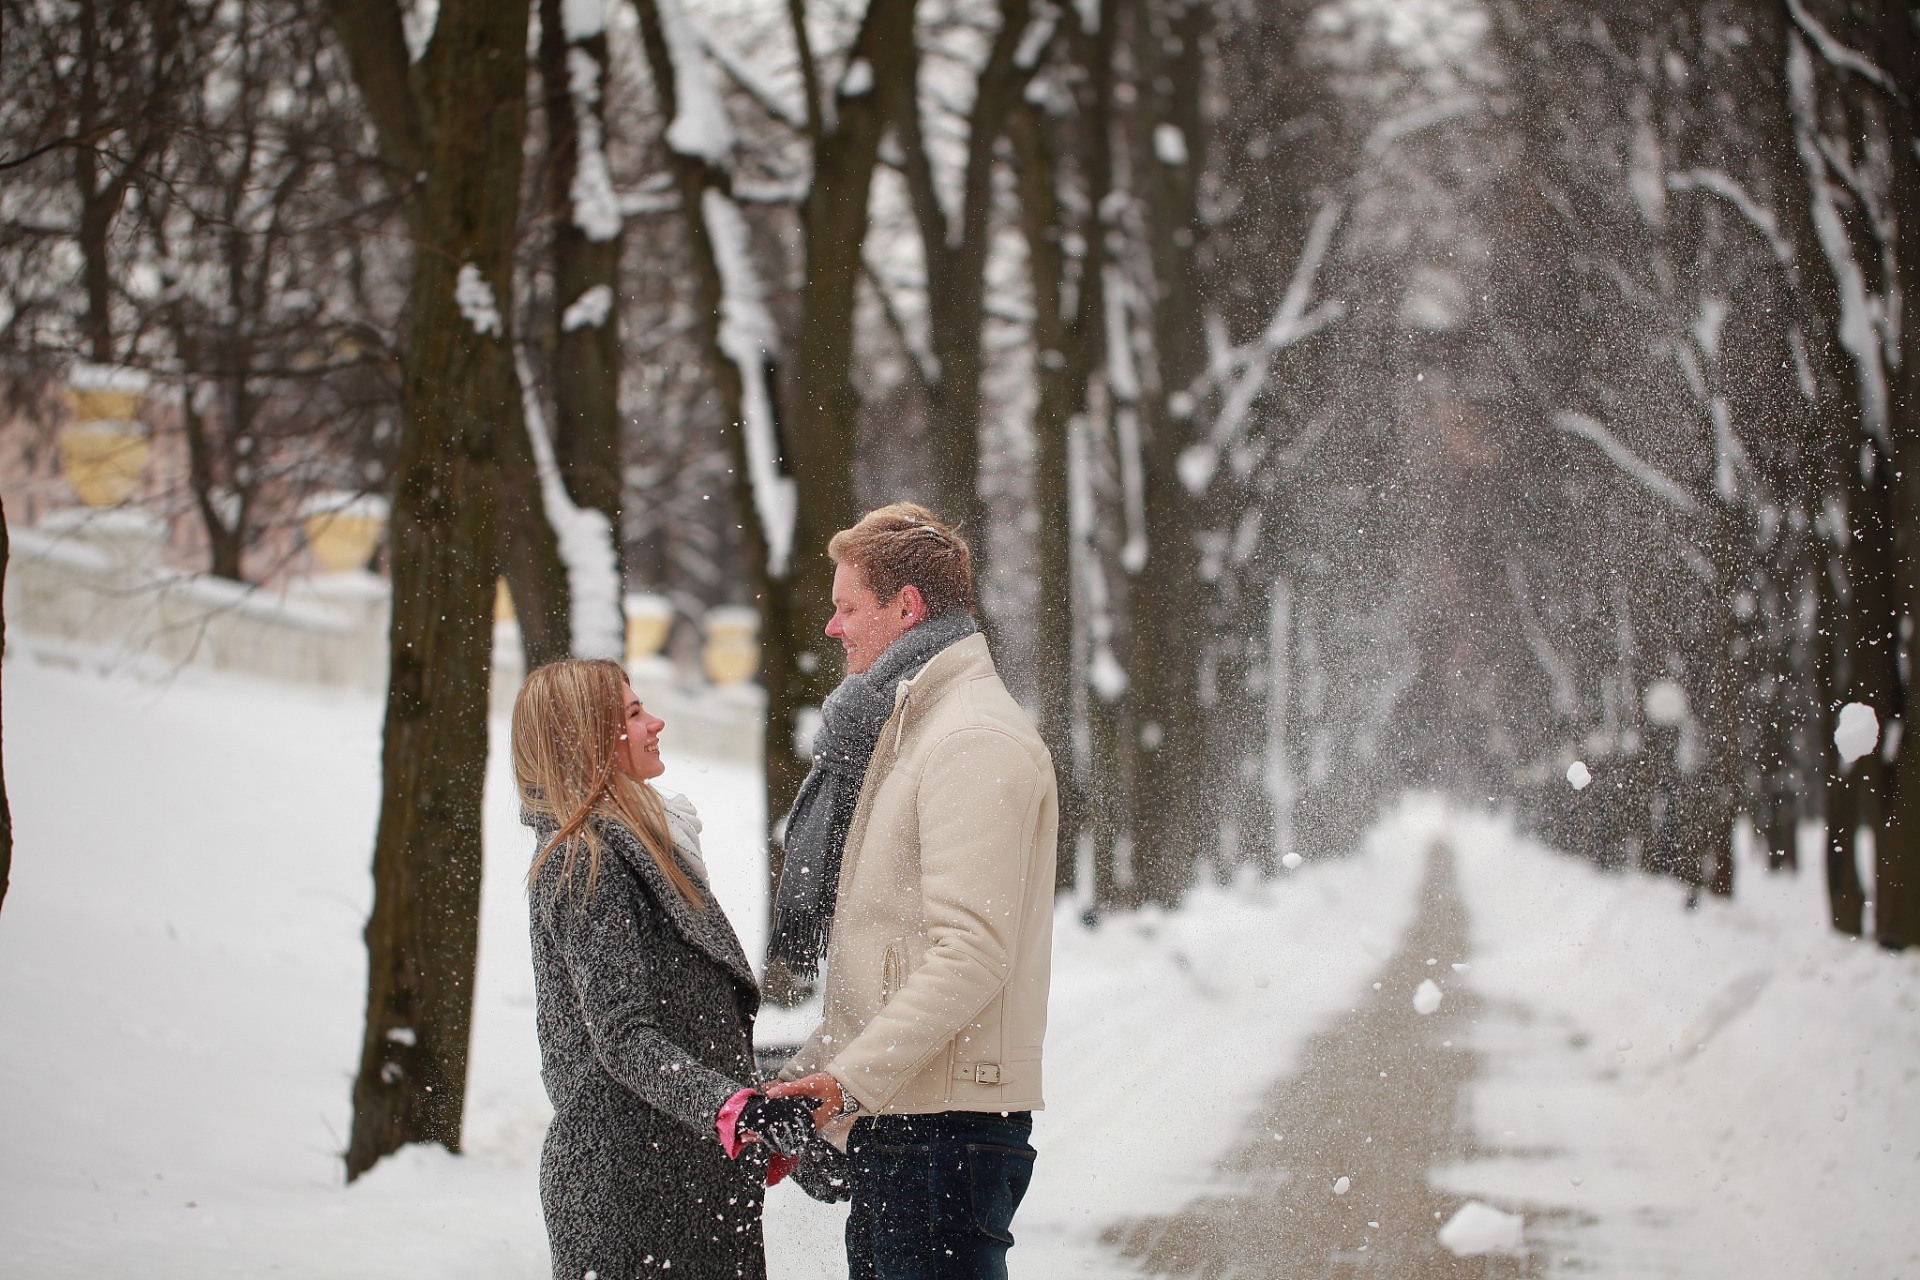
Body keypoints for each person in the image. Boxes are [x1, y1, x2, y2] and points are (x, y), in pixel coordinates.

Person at [766, 504, 1060, 1280]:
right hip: (909, 1119)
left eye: (847, 607)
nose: (833, 627)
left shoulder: (969, 740)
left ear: (908, 608)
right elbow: (887, 948)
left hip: (943, 1130)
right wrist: (815, 1074)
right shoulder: (913, 730)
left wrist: (845, 1082)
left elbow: (972, 954)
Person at [514, 658, 829, 1280]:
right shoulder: (584, 861)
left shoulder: (644, 844)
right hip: (631, 1195)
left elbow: (694, 1024)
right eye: (632, 714)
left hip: (683, 1182)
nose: (655, 722)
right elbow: (622, 1036)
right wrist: (735, 1111)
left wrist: (754, 1117)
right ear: (586, 738)